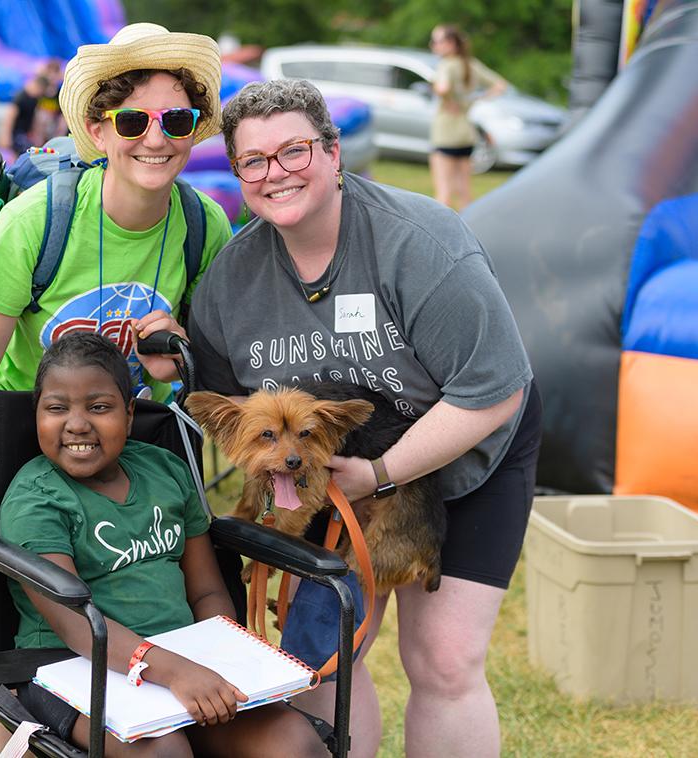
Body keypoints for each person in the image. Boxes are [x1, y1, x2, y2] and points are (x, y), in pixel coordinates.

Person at [186, 79, 542, 758]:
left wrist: (380, 474)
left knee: (442, 658)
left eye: (294, 151)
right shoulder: (231, 281)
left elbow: (493, 391)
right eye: (254, 161)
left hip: (466, 452)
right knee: (319, 657)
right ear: (237, 173)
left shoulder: (421, 244)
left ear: (333, 151)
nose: (276, 173)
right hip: (325, 471)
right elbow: (226, 411)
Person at [0, 331, 329, 756]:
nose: (77, 423)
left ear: (129, 413)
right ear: (37, 415)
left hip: (182, 659)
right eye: (57, 408)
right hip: (71, 668)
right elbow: (77, 625)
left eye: (99, 407)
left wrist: (216, 658)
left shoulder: (164, 471)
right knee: (164, 751)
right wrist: (175, 672)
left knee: (294, 742)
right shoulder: (36, 499)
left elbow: (206, 591)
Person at [0, 23, 232, 421]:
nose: (156, 140)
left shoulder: (205, 224)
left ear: (193, 129)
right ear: (97, 132)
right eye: (132, 121)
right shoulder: (35, 219)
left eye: (176, 120)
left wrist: (182, 356)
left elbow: (214, 357)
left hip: (135, 426)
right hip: (21, 423)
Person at [428, 24, 507, 210]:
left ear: (450, 43)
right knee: (465, 191)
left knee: (443, 192)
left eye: (436, 41)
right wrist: (474, 99)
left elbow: (443, 88)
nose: (433, 45)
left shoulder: (446, 65)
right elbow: (500, 85)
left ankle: (442, 228)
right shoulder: (471, 64)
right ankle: (468, 225)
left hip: (446, 132)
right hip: (465, 132)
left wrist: (443, 94)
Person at [0, 72, 48, 160]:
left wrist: (36, 133)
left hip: (25, 132)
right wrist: (6, 135)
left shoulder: (35, 99)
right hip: (16, 133)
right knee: (22, 155)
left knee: (26, 155)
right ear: (38, 86)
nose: (41, 94)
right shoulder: (21, 97)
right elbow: (10, 117)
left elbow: (34, 117)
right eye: (41, 91)